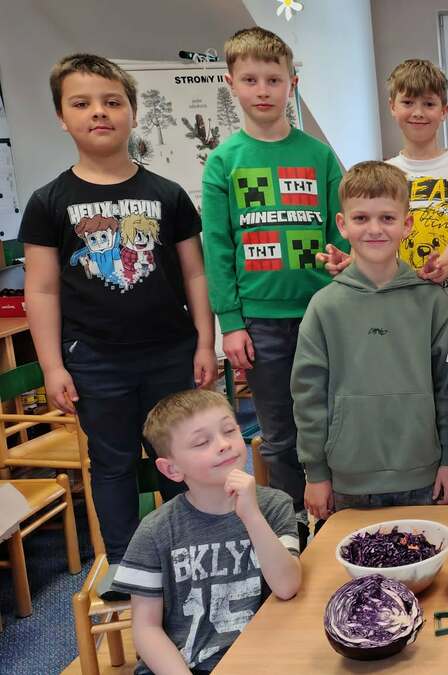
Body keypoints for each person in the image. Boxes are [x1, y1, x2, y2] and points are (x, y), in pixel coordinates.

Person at [20, 54, 217, 600]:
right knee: (111, 465)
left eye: (112, 102)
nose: (98, 113)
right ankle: (131, 567)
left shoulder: (168, 194)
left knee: (184, 457)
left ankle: (193, 553)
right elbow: (41, 290)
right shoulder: (48, 202)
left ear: (132, 111)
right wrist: (52, 366)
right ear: (62, 117)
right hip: (94, 358)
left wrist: (206, 341)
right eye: (81, 103)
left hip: (170, 351)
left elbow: (195, 273)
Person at [202, 27, 346, 545]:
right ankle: (293, 529)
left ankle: (343, 520)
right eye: (250, 80)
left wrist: (344, 261)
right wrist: (230, 323)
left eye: (273, 79)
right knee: (281, 434)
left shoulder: (319, 157)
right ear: (231, 83)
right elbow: (218, 249)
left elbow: (340, 230)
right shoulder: (224, 161)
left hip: (323, 313)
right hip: (260, 321)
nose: (262, 90)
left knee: (334, 420)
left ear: (292, 84)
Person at [291, 161, 448, 518]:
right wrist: (316, 473)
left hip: (425, 476)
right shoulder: (325, 306)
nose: (374, 229)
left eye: (387, 218)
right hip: (348, 480)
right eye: (361, 218)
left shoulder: (433, 303)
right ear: (343, 224)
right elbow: (308, 397)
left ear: (406, 224)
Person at [112, 389, 301, 674]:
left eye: (229, 430)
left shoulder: (274, 506)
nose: (223, 444)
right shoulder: (154, 531)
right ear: (172, 469)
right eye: (202, 442)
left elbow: (287, 587)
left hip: (262, 661)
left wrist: (251, 516)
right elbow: (146, 629)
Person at [383, 59, 448, 308]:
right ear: (392, 107)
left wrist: (441, 265)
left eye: (429, 104)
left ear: (444, 111)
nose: (418, 112)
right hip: (403, 296)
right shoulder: (386, 172)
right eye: (408, 103)